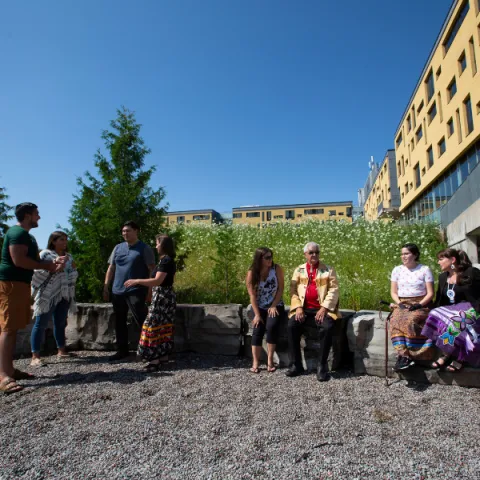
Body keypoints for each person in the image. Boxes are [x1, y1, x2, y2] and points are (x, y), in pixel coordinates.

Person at [0, 203, 65, 394]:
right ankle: (3, 375)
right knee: (8, 328)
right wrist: (48, 266)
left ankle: (9, 369)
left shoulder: (25, 236)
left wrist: (53, 263)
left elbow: (34, 261)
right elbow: (18, 260)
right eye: (37, 214)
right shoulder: (18, 233)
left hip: (18, 284)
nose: (39, 217)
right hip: (11, 284)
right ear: (28, 215)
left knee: (12, 328)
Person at [286, 242, 340, 382]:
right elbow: (292, 291)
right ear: (305, 255)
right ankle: (296, 364)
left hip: (322, 308)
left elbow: (334, 291)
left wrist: (324, 308)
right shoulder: (298, 270)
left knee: (327, 327)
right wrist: (298, 307)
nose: (314, 255)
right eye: (311, 252)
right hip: (303, 309)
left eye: (316, 252)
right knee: (292, 326)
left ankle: (321, 366)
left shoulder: (328, 270)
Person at [104, 221, 155, 361]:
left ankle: (148, 350)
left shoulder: (144, 248)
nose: (125, 233)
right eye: (123, 231)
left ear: (136, 231)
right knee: (119, 322)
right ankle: (122, 350)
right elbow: (111, 268)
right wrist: (106, 286)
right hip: (117, 291)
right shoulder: (118, 248)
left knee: (141, 320)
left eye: (128, 231)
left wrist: (150, 291)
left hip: (136, 290)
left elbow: (152, 270)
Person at [422, 248, 480, 372]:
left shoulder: (471, 272)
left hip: (472, 308)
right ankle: (448, 352)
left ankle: (459, 357)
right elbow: (439, 300)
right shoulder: (443, 277)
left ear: (452, 260)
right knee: (435, 314)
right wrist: (426, 307)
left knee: (457, 321)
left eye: (441, 259)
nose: (438, 262)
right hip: (452, 310)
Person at [124, 234, 176, 372]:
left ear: (163, 245)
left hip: (163, 297)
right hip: (164, 297)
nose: (156, 246)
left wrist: (137, 281)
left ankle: (154, 360)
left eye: (158, 243)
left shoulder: (166, 261)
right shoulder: (165, 260)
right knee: (162, 326)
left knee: (152, 325)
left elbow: (157, 281)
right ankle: (162, 356)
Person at [30, 231, 78, 366]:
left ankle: (61, 351)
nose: (64, 242)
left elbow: (74, 273)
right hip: (48, 294)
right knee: (41, 323)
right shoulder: (45, 254)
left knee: (60, 322)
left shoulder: (69, 256)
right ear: (53, 241)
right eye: (61, 239)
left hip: (65, 293)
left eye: (65, 240)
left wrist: (72, 271)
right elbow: (37, 272)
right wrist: (55, 268)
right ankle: (35, 356)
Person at [389, 243, 435, 371]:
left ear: (415, 255)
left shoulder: (424, 269)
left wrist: (419, 304)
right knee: (394, 319)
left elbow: (430, 293)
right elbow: (393, 291)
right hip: (402, 302)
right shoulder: (397, 270)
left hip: (421, 303)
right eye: (402, 254)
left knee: (410, 320)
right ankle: (403, 355)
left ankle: (414, 354)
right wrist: (399, 303)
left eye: (406, 253)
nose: (403, 256)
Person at [246, 247, 285, 373]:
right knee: (257, 329)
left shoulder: (276, 268)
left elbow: (280, 289)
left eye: (271, 256)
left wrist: (273, 305)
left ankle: (270, 360)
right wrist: (257, 314)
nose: (270, 260)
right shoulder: (252, 272)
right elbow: (252, 295)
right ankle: (255, 362)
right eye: (267, 257)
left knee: (272, 326)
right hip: (260, 305)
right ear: (259, 259)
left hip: (275, 303)